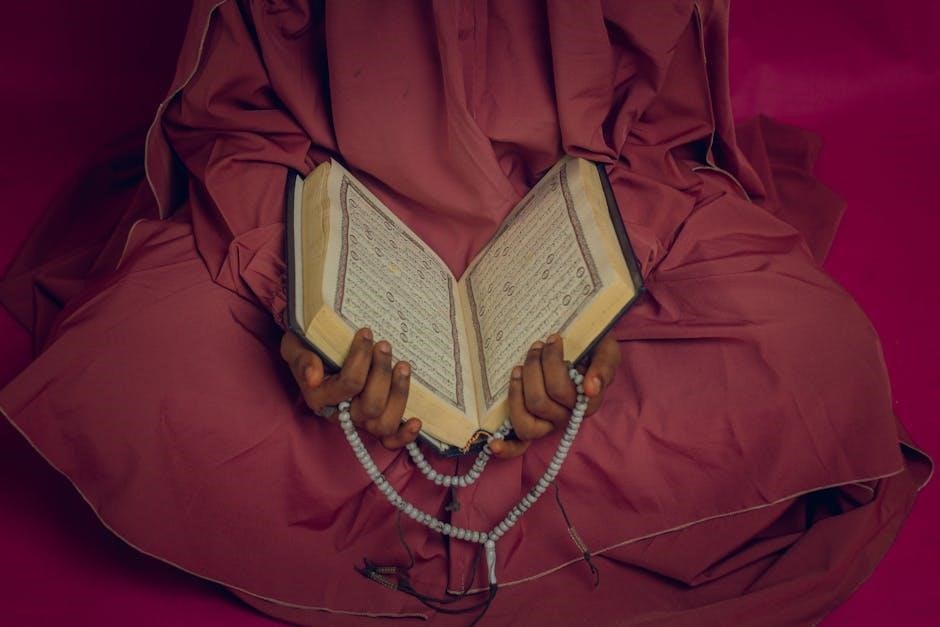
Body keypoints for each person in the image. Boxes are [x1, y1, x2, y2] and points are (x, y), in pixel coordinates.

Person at [0, 0, 931, 624]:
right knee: (127, 368)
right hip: (341, 223)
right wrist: (303, 310)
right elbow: (236, 127)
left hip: (576, 214)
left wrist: (595, 305)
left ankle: (411, 509)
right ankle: (517, 508)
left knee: (814, 355)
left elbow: (657, 138)